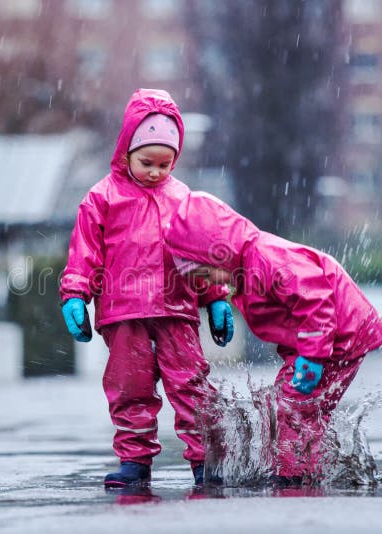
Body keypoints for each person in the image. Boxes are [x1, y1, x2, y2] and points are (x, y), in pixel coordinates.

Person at [59, 89, 234, 488]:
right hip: (124, 314)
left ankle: (206, 462)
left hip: (176, 311)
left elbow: (203, 255)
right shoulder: (101, 199)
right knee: (129, 389)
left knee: (192, 387)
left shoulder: (184, 199)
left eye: (165, 163)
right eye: (147, 162)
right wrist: (74, 295)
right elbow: (83, 254)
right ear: (126, 152)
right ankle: (134, 462)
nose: (156, 171)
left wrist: (216, 299)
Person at [165, 191, 382, 485]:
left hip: (337, 338)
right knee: (297, 407)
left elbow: (314, 300)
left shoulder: (265, 257)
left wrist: (312, 358)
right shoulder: (247, 270)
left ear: (216, 251)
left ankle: (294, 475)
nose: (211, 284)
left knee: (292, 407)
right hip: (324, 341)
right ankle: (306, 466)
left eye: (206, 274)